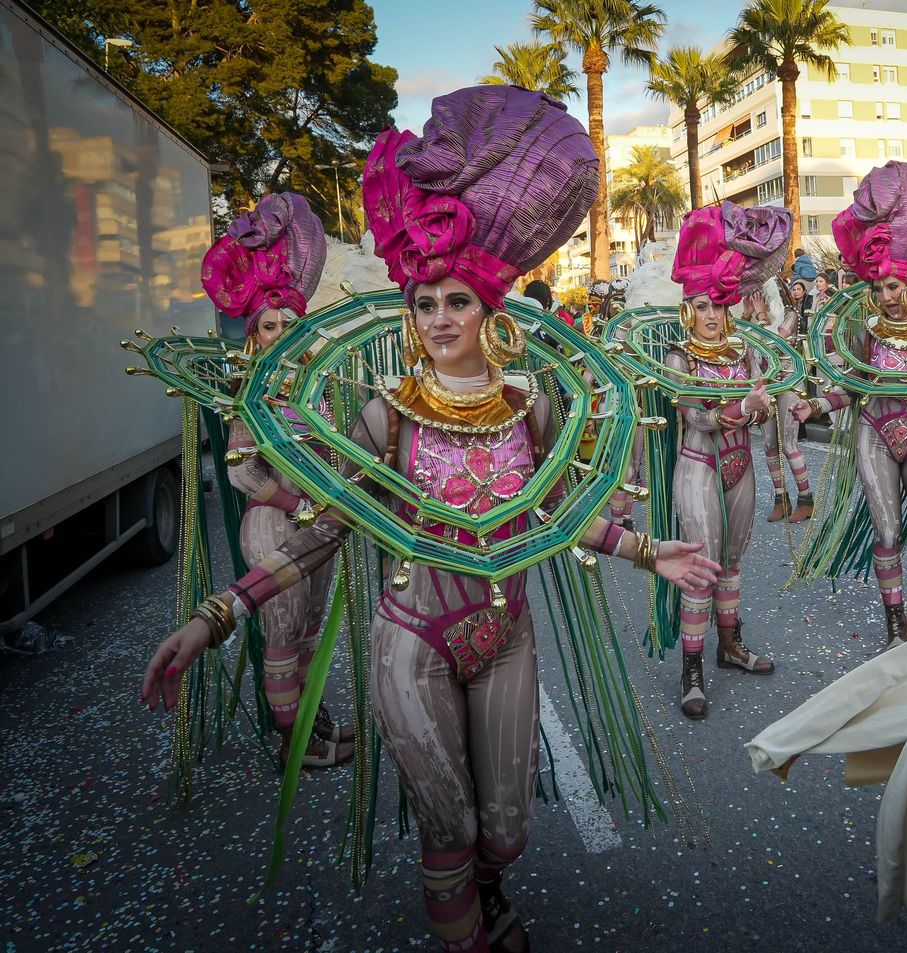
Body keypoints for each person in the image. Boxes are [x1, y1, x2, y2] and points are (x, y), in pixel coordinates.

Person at [142, 86, 722, 953]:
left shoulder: (529, 408)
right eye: (426, 303)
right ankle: (469, 932)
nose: (441, 317)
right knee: (446, 828)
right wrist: (213, 616)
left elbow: (554, 514)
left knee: (506, 829)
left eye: (457, 300)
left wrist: (648, 551)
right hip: (412, 641)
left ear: (490, 308)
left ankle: (490, 891)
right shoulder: (388, 416)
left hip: (509, 634)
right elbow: (327, 527)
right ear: (409, 316)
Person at [790, 162, 907, 647]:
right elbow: (856, 384)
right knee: (889, 532)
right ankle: (894, 624)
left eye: (891, 286)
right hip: (874, 433)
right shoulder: (867, 332)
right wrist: (818, 407)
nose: (884, 297)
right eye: (877, 289)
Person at [201, 191, 353, 769]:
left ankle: (312, 723)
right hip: (274, 523)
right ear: (253, 334)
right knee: (284, 630)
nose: (282, 332)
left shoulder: (315, 388)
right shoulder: (252, 393)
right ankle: (298, 747)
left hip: (315, 524)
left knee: (311, 626)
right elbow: (242, 472)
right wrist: (297, 501)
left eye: (291, 323)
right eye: (271, 325)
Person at [664, 203, 789, 718]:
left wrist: (766, 413)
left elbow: (763, 414)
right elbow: (697, 417)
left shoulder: (746, 352)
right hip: (699, 466)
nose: (711, 316)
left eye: (719, 305)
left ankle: (730, 646)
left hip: (741, 468)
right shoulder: (678, 356)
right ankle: (691, 671)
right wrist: (746, 406)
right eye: (701, 306)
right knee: (700, 567)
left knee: (734, 564)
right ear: (687, 309)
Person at [749, 276, 815, 526]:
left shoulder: (791, 315)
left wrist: (760, 316)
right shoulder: (757, 319)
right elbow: (746, 343)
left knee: (789, 444)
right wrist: (749, 318)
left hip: (788, 385)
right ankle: (781, 499)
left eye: (762, 294)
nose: (758, 300)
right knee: (769, 445)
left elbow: (775, 345)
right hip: (766, 387)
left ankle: (806, 499)